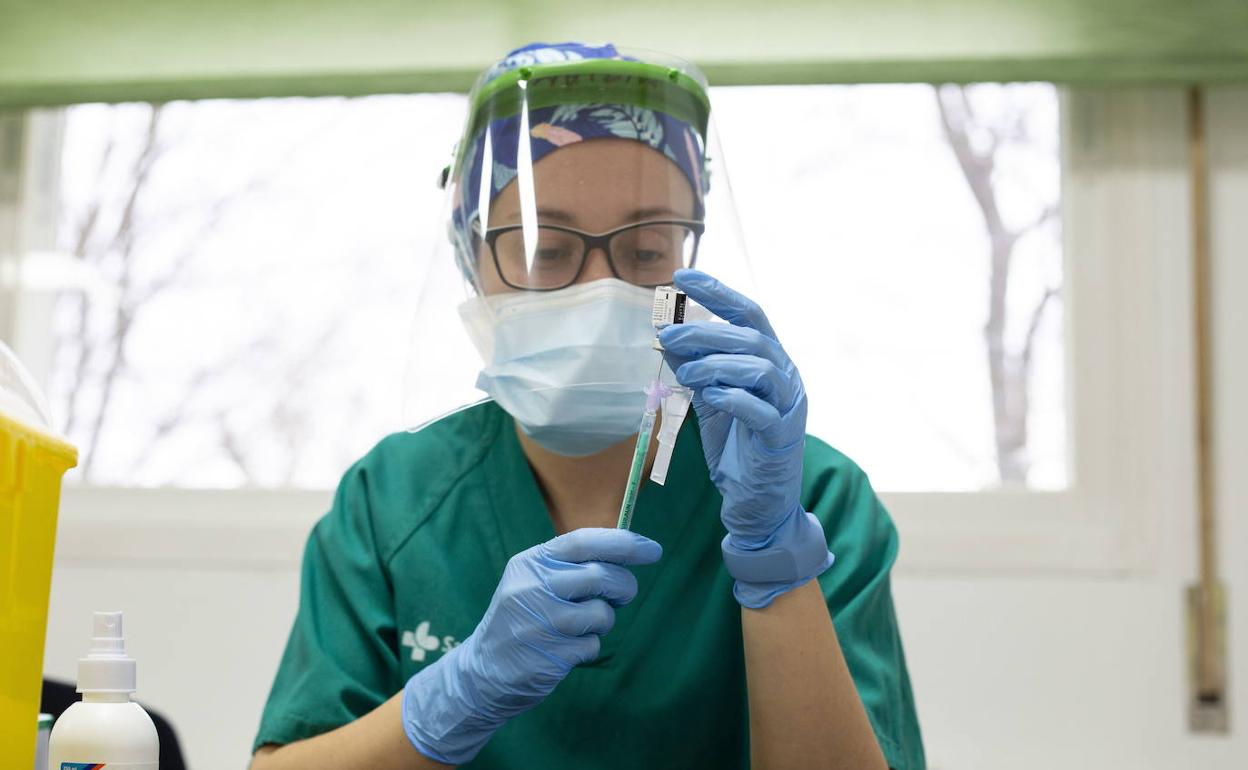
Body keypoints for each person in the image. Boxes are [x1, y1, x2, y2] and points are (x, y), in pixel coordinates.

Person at [250, 42, 924, 770]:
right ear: (469, 257)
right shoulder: (392, 500)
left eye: (644, 252)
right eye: (545, 251)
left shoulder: (814, 497)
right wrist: (445, 703)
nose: (599, 291)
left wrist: (777, 564)